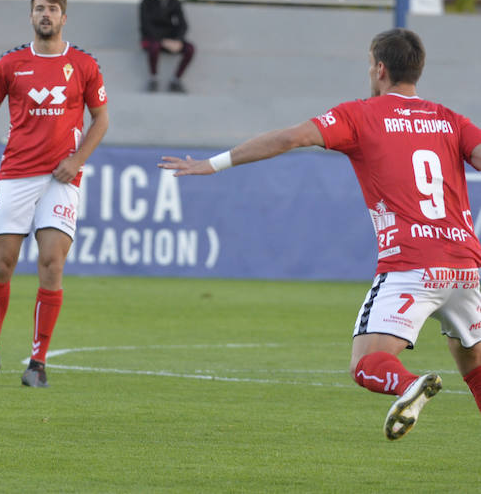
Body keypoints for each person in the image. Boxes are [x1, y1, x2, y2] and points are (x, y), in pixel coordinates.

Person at [160, 28, 481, 441]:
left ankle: (407, 386)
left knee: (367, 364)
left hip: (411, 267)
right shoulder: (448, 118)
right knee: (472, 359)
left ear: (380, 69)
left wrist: (214, 163)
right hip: (466, 268)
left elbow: (292, 137)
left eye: (370, 64)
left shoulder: (361, 114)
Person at [0, 0, 109, 389]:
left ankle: (38, 363)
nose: (46, 14)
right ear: (31, 16)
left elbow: (101, 119)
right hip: (16, 175)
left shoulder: (83, 64)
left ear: (64, 18)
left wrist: (77, 160)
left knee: (52, 265)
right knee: (1, 265)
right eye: (40, 8)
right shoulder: (11, 63)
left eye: (53, 9)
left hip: (61, 180)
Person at [139, 0, 195, 93]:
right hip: (152, 38)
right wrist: (162, 41)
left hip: (171, 39)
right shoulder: (146, 3)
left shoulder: (174, 2)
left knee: (190, 48)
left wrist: (178, 40)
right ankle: (153, 78)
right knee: (154, 47)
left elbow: (183, 24)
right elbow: (145, 26)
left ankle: (176, 80)